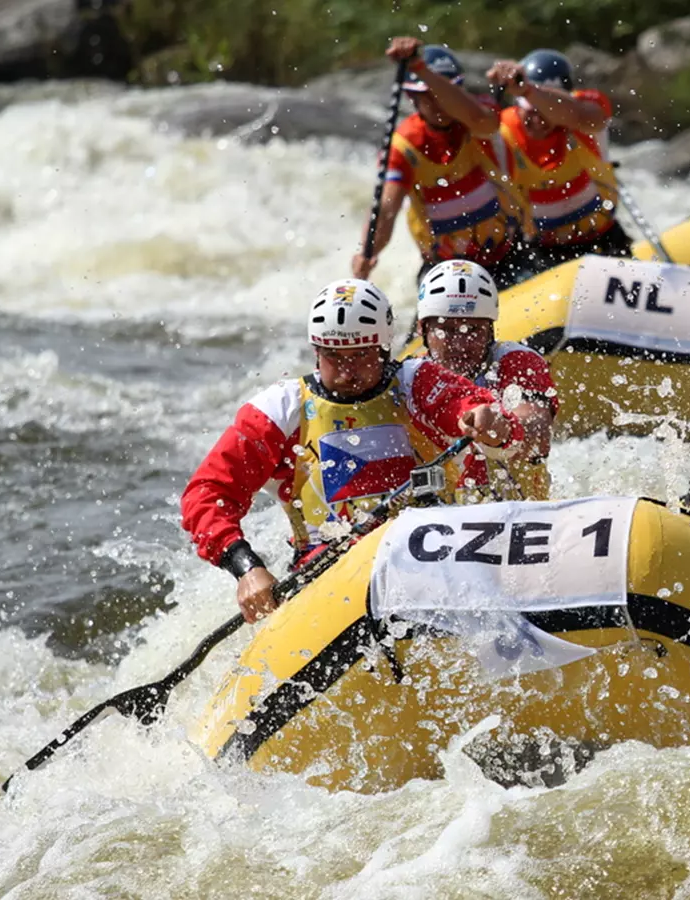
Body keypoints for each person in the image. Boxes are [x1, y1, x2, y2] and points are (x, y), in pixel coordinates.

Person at [181, 278, 525, 623]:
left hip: (432, 556)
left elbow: (471, 406)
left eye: (361, 355)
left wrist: (488, 423)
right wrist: (246, 568)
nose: (348, 371)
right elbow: (206, 494)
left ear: (384, 346)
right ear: (317, 351)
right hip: (329, 576)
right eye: (334, 356)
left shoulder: (417, 380)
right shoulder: (280, 408)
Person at [352, 40, 533, 290]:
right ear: (413, 97)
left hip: (508, 257)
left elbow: (482, 120)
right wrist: (367, 253)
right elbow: (386, 209)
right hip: (443, 269)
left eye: (445, 93)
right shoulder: (404, 146)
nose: (439, 102)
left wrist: (421, 70)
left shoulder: (479, 114)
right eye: (429, 95)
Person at [413, 259, 559, 500]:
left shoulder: (516, 360)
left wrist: (504, 428)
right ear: (422, 329)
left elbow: (537, 432)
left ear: (490, 329)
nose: (459, 344)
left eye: (472, 329)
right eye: (446, 329)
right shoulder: (411, 375)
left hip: (519, 512)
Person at [486, 49, 633, 269]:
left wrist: (528, 90)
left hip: (602, 241)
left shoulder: (586, 109)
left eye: (545, 111)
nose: (538, 120)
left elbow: (580, 115)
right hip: (540, 251)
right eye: (530, 111)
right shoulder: (502, 128)